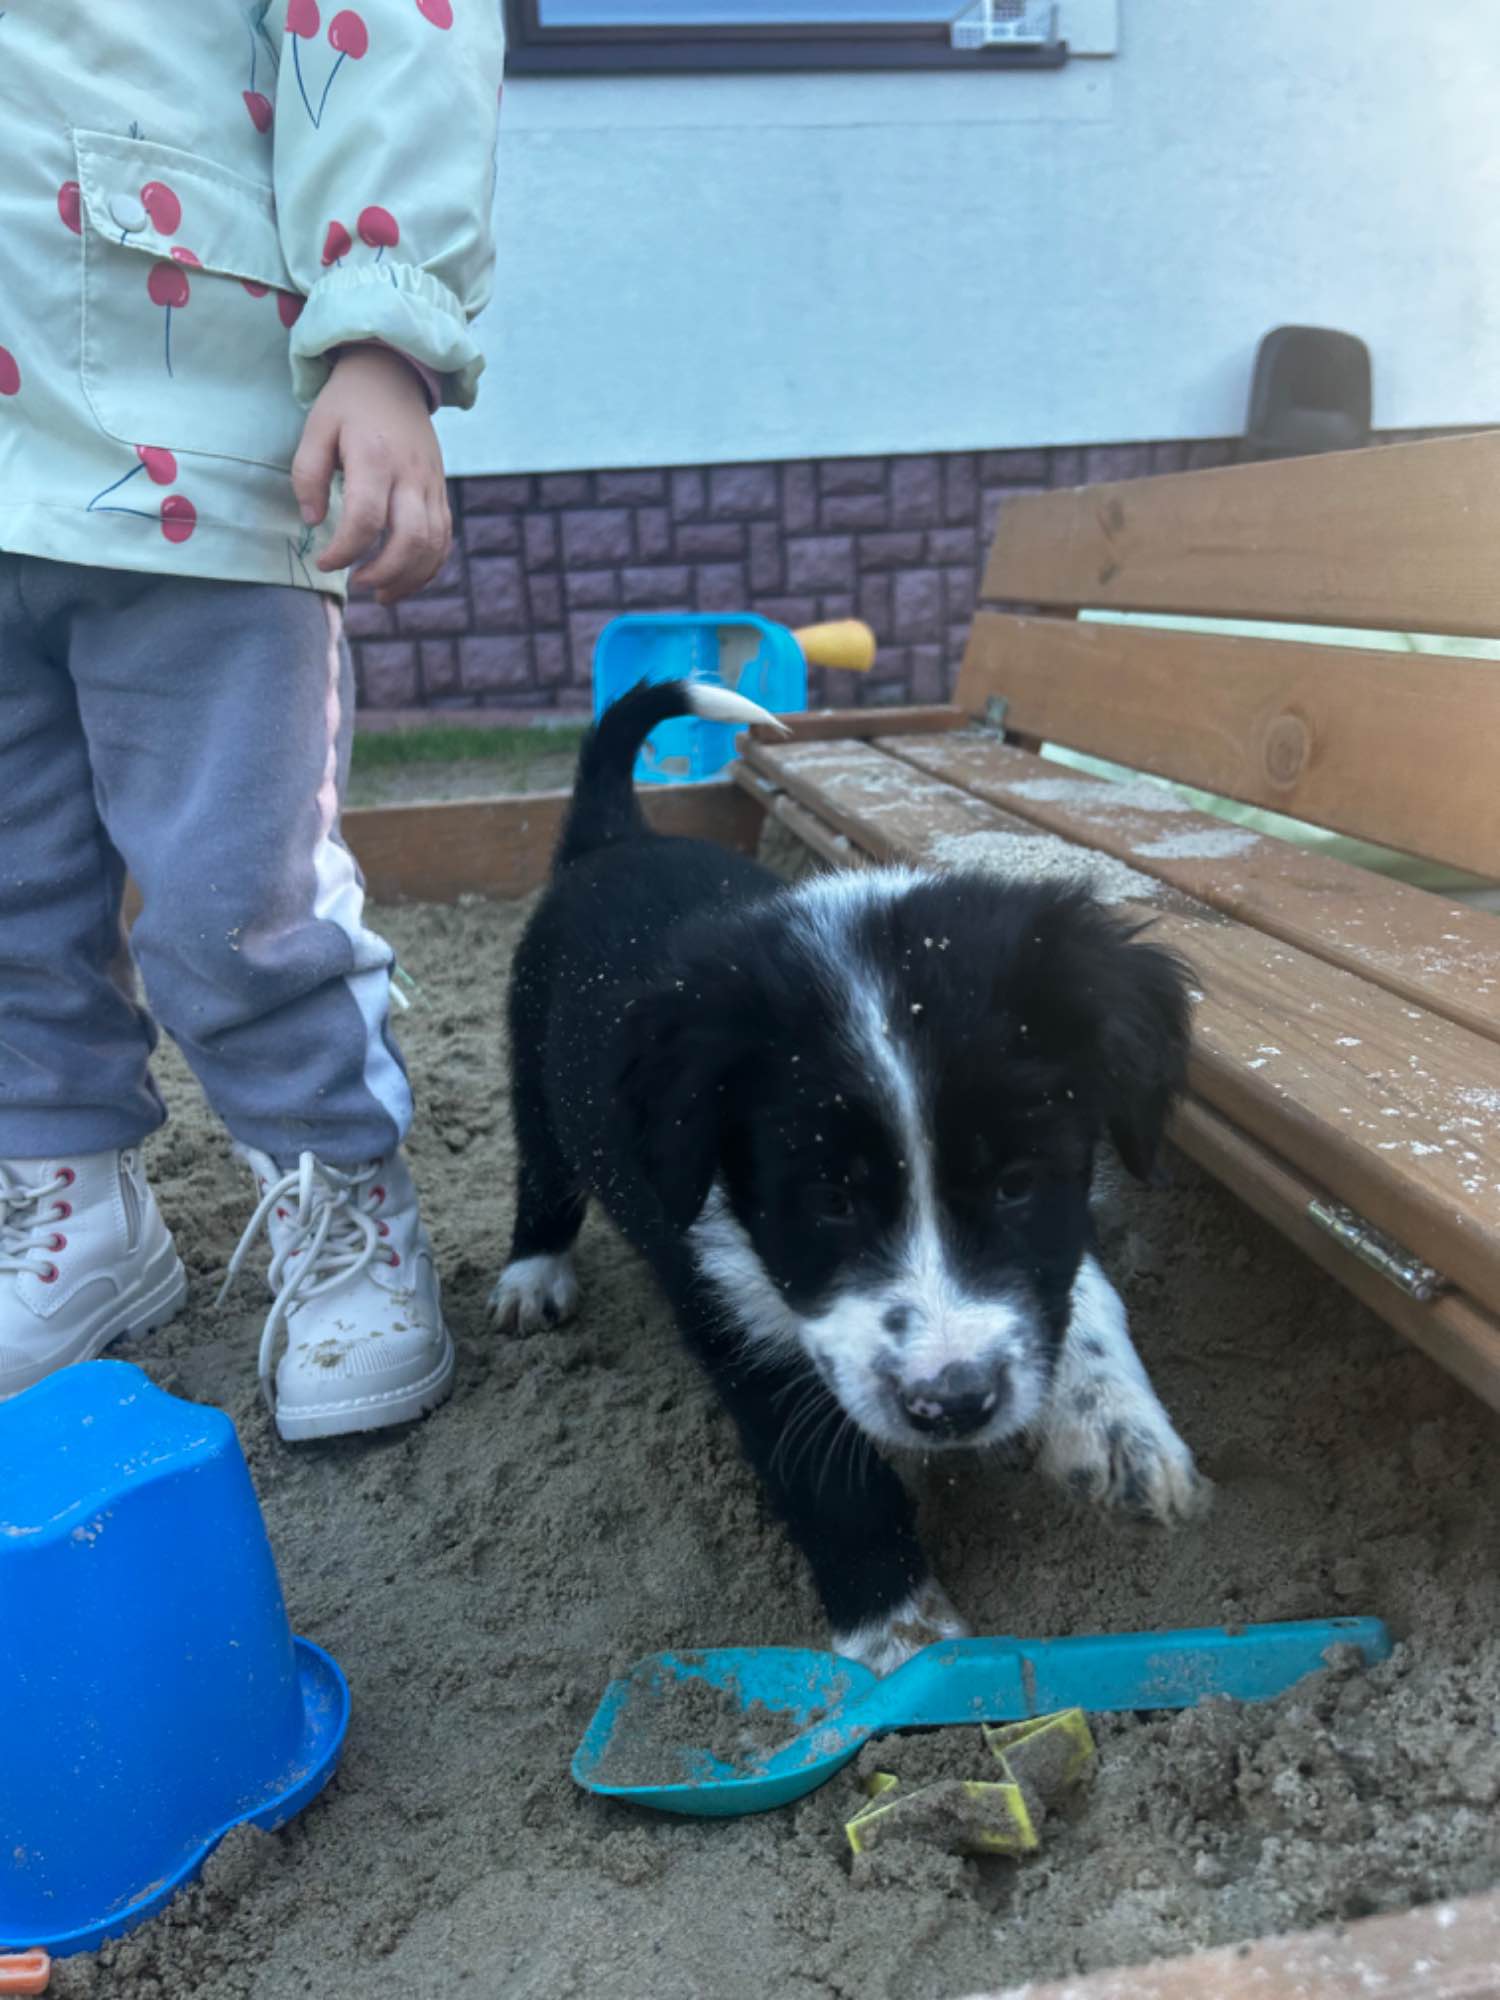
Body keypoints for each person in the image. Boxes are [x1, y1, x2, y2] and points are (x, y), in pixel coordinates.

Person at [0, 2, 505, 1438]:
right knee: (7, 899)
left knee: (239, 888)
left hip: (182, 426)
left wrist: (382, 334)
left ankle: (339, 1186)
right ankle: (70, 1206)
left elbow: (394, 28)